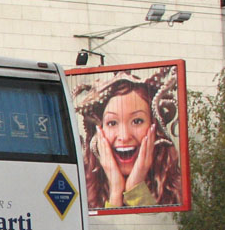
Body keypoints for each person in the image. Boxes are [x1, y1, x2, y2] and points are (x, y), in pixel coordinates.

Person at [73, 67, 183, 209]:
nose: (124, 137)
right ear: (99, 132)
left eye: (137, 121)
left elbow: (159, 224)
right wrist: (116, 190)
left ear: (154, 127)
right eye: (112, 123)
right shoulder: (81, 191)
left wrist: (135, 186)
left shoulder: (175, 188)